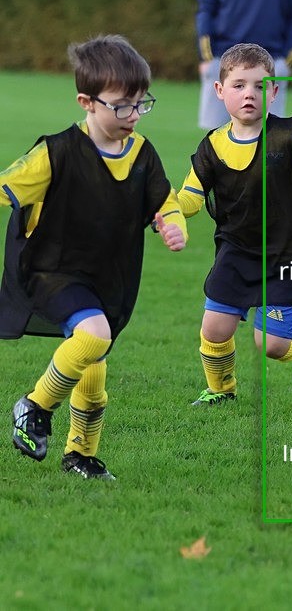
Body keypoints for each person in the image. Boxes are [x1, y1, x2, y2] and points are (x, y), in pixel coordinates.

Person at [1, 35, 188, 480]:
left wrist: (171, 221)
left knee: (94, 366)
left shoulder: (142, 153)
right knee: (93, 334)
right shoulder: (57, 152)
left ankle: (79, 455)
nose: (134, 115)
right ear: (87, 101)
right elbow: (7, 186)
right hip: (54, 271)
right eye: (122, 106)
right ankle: (34, 405)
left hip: (110, 276)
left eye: (142, 103)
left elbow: (165, 199)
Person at [178, 43, 292, 406]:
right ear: (219, 91)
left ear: (274, 92)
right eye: (239, 85)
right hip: (238, 250)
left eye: (260, 86)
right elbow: (192, 198)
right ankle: (221, 391)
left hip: (291, 253)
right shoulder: (211, 146)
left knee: (271, 345)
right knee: (214, 327)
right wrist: (163, 209)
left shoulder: (291, 137)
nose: (249, 94)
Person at [196, 0, 292, 129]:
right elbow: (206, 11)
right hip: (224, 62)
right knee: (216, 139)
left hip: (270, 63)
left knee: (270, 137)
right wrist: (208, 58)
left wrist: (285, 61)